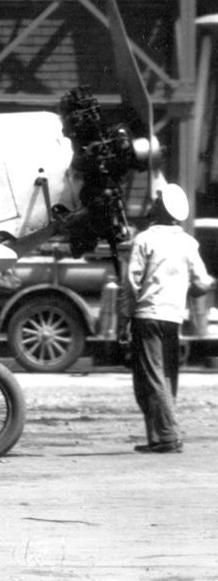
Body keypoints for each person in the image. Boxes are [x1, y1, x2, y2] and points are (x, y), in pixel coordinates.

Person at [120, 184, 214, 453]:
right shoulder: (187, 242)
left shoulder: (144, 239)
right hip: (172, 317)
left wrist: (124, 318)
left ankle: (169, 437)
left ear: (159, 209)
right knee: (167, 376)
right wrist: (184, 289)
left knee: (151, 378)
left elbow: (130, 283)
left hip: (147, 315)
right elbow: (202, 283)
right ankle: (158, 438)